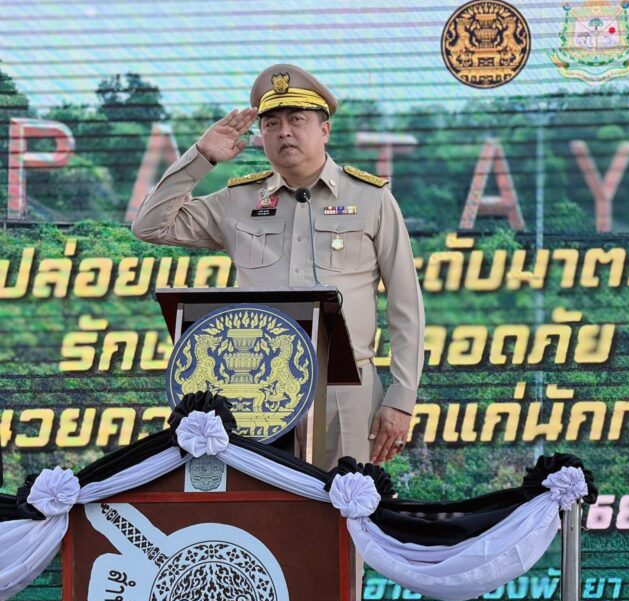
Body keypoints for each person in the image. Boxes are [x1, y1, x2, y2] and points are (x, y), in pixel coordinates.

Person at [132, 64, 424, 468]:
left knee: (348, 500)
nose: (284, 132)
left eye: (296, 120)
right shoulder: (238, 200)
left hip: (347, 388)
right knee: (265, 503)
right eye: (271, 124)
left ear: (325, 130)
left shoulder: (371, 198)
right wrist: (201, 158)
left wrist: (402, 398)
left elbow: (406, 306)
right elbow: (149, 226)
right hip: (256, 390)